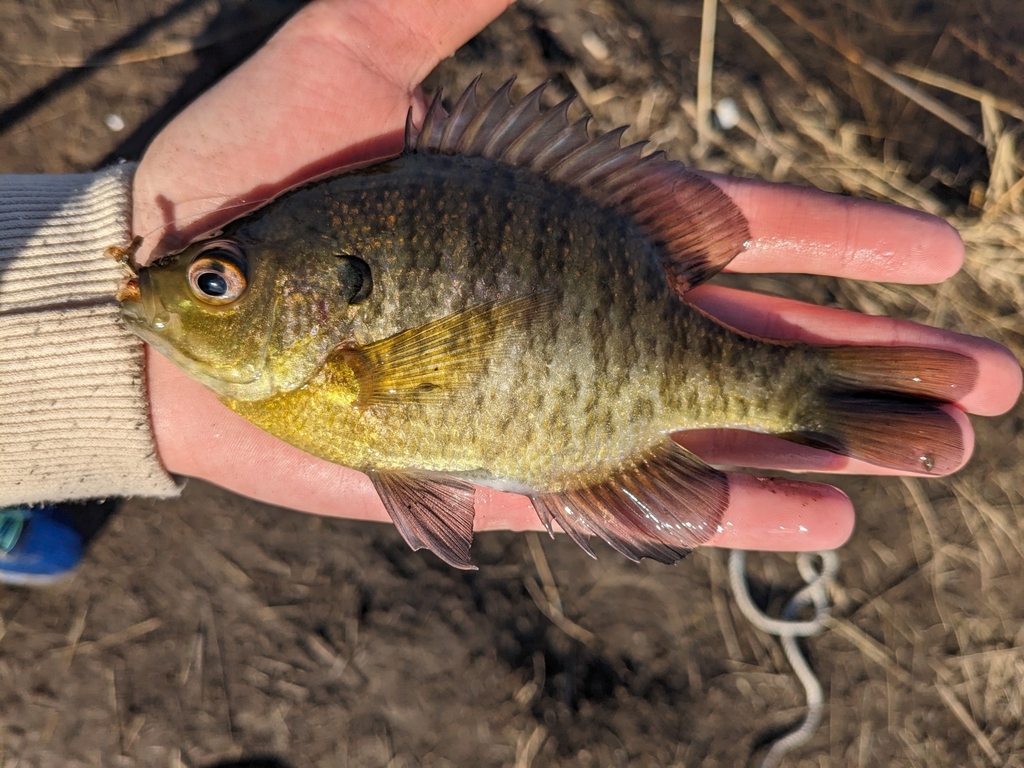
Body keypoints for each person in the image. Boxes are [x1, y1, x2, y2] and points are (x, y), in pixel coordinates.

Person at [0, 0, 1019, 583]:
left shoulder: (307, 368)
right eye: (214, 281)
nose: (189, 291)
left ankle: (804, 395)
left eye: (216, 282)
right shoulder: (297, 365)